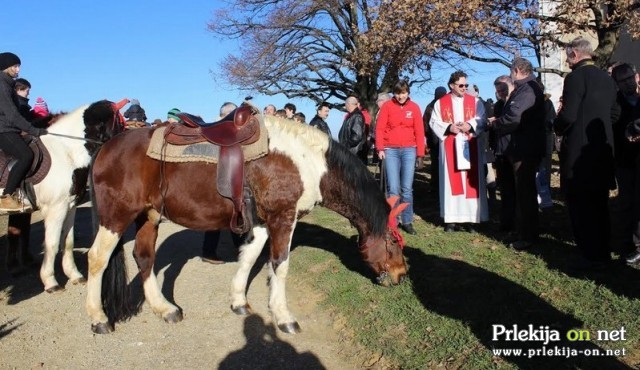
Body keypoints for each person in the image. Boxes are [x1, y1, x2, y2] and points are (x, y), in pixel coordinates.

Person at [554, 37, 619, 271]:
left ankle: (588, 254)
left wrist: (557, 126)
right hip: (602, 150)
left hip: (579, 153)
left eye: (566, 56)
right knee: (600, 205)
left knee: (581, 206)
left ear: (574, 54)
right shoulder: (607, 78)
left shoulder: (575, 78)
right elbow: (614, 113)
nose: (566, 61)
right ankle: (602, 252)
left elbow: (568, 115)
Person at [487, 58, 546, 250]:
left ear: (517, 70)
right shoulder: (527, 88)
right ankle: (524, 230)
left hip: (524, 148)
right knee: (523, 192)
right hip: (523, 146)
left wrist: (497, 123)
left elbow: (514, 116)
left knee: (525, 193)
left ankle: (528, 236)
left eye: (512, 71)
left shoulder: (527, 89)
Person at [429, 70, 488, 232]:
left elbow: (482, 119)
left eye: (466, 85)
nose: (464, 88)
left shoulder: (475, 102)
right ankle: (451, 220)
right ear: (451, 85)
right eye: (461, 85)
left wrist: (471, 125)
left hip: (470, 145)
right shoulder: (441, 103)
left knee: (470, 183)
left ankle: (471, 220)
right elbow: (434, 122)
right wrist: (449, 127)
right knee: (451, 182)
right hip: (450, 146)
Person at [375, 80, 425, 235]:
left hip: (410, 149)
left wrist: (420, 153)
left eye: (403, 93)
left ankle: (408, 220)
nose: (401, 96)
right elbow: (380, 128)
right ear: (394, 94)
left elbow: (419, 130)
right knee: (393, 188)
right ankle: (393, 220)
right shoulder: (387, 107)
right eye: (398, 93)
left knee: (407, 188)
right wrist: (380, 148)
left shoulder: (414, 107)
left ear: (408, 92)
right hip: (391, 150)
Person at [0, 52, 48, 212]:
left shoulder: (8, 84)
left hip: (8, 128)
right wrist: (33, 130)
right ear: (6, 66)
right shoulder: (2, 84)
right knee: (26, 155)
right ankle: (7, 196)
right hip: (3, 130)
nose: (18, 69)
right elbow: (12, 115)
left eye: (18, 66)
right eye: (15, 66)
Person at [201, 101, 244, 264]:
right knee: (217, 216)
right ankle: (208, 251)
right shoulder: (212, 133)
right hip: (214, 181)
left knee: (234, 212)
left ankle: (240, 247)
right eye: (232, 115)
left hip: (227, 180)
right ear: (223, 115)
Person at [610, 63, 640, 264]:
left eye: (631, 78)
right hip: (625, 160)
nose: (629, 83)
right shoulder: (614, 104)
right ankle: (628, 243)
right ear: (617, 84)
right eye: (624, 80)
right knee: (627, 202)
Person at [423, 86, 448, 193]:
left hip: (446, 140)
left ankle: (443, 187)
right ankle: (435, 188)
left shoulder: (447, 106)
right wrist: (429, 139)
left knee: (444, 165)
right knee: (435, 165)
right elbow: (425, 126)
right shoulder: (430, 108)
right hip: (434, 141)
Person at [370, 92, 391, 166]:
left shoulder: (390, 111)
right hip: (379, 144)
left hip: (387, 145)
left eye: (378, 101)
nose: (376, 103)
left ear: (384, 101)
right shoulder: (379, 112)